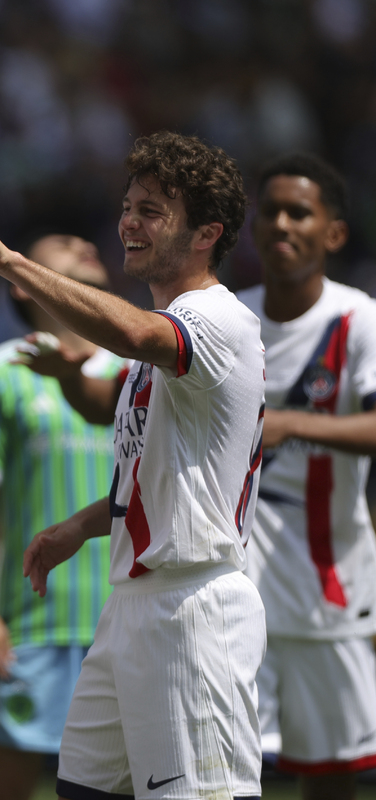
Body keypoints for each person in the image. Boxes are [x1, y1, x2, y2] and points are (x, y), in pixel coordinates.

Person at [0, 130, 267, 800]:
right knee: (84, 788)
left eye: (152, 211)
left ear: (207, 234)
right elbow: (156, 473)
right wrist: (79, 528)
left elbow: (134, 331)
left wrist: (7, 263)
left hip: (192, 606)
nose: (129, 223)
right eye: (128, 206)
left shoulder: (217, 319)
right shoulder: (156, 345)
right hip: (131, 603)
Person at [0, 235, 119, 800]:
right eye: (62, 246)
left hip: (127, 619)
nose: (83, 243)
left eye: (84, 241)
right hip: (31, 623)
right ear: (22, 284)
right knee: (6, 786)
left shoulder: (138, 371)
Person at [237, 152, 376, 798]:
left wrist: (291, 423)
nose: (282, 224)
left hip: (329, 592)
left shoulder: (358, 320)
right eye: (271, 212)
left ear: (334, 232)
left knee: (332, 779)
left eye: (299, 212)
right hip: (234, 592)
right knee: (224, 773)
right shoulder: (229, 318)